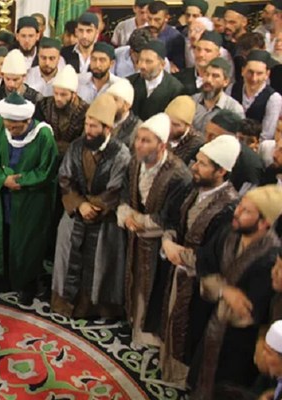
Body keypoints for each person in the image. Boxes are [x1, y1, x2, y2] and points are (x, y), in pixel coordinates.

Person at [158, 135, 240, 386]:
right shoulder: (194, 189)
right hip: (179, 269)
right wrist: (168, 240)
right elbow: (174, 221)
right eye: (197, 161)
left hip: (200, 282)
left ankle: (182, 378)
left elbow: (216, 257)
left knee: (189, 331)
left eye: (203, 164)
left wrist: (178, 253)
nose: (194, 167)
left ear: (221, 171)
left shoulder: (229, 209)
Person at [187, 185, 282, 398]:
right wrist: (224, 290)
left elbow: (248, 311)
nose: (237, 212)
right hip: (211, 324)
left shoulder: (270, 259)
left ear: (264, 223)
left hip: (239, 344)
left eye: (246, 211)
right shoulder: (229, 233)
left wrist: (217, 288)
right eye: (240, 206)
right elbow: (204, 262)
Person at [52, 93, 131, 318]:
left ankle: (95, 309)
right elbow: (64, 178)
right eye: (87, 124)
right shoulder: (77, 146)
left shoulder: (121, 153)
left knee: (100, 265)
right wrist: (80, 205)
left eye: (94, 126)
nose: (88, 130)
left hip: (104, 218)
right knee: (67, 256)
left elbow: (116, 189)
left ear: (108, 128)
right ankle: (65, 304)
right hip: (76, 212)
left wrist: (92, 207)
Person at [117, 112, 192, 346]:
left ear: (161, 145)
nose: (139, 145)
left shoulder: (178, 174)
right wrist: (127, 217)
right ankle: (132, 322)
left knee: (152, 289)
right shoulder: (134, 163)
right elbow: (125, 195)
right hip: (135, 235)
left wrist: (140, 221)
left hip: (159, 241)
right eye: (138, 139)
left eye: (146, 141)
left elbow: (171, 217)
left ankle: (148, 335)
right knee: (133, 280)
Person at [0, 93, 58, 305]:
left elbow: (47, 170)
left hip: (30, 199)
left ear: (28, 120)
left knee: (26, 242)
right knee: (1, 236)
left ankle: (26, 284)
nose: (11, 130)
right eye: (8, 126)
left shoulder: (43, 135)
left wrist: (21, 181)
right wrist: (2, 179)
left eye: (16, 127)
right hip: (1, 195)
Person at [205, 110, 265, 193]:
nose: (206, 140)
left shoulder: (250, 164)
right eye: (206, 133)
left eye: (213, 136)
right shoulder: (205, 149)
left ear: (233, 138)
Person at [38, 65, 89, 156]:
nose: (58, 98)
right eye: (56, 93)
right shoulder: (43, 105)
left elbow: (84, 144)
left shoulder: (85, 111)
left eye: (63, 95)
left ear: (74, 95)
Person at [230, 50, 282, 141]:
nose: (254, 78)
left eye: (259, 73)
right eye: (250, 72)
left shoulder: (273, 99)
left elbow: (266, 135)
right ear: (243, 71)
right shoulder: (232, 89)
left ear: (267, 74)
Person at [128, 40, 184, 120]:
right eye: (140, 60)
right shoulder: (130, 82)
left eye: (148, 61)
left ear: (162, 64)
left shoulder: (175, 89)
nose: (142, 65)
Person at [0, 50, 43, 121]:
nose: (11, 84)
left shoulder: (36, 99)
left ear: (24, 77)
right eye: (7, 79)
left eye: (15, 80)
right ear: (2, 75)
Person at [192, 57, 244, 132]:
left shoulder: (233, 109)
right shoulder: (192, 101)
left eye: (215, 76)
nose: (208, 80)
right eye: (206, 74)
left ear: (226, 81)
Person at [175, 31, 223, 95]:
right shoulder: (178, 79)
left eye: (207, 51)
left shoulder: (221, 83)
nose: (201, 54)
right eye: (198, 49)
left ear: (218, 55)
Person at [166, 95, 206, 165]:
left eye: (176, 125)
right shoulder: (159, 131)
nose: (170, 127)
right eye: (168, 122)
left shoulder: (197, 143)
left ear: (188, 125)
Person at [147, 1, 186, 71]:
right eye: (149, 19)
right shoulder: (140, 33)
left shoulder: (175, 37)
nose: (152, 23)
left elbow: (177, 67)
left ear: (166, 18)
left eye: (157, 20)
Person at [107, 79, 142, 148]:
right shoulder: (99, 118)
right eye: (108, 98)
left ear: (126, 105)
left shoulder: (137, 128)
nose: (110, 103)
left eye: (115, 99)